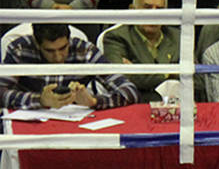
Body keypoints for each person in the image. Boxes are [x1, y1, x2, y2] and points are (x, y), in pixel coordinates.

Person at [1, 23, 137, 111]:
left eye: (63, 48)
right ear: (37, 44)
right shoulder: (20, 49)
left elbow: (129, 91)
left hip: (75, 120)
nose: (58, 57)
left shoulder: (85, 51)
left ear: (69, 40)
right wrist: (39, 100)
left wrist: (94, 101)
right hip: (31, 121)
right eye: (49, 51)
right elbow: (1, 92)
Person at [100, 0, 181, 102]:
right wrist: (170, 73)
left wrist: (136, 72)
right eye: (147, 8)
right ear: (132, 10)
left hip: (177, 105)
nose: (153, 14)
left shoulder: (178, 36)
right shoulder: (116, 37)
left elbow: (197, 81)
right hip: (135, 105)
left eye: (159, 9)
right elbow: (119, 79)